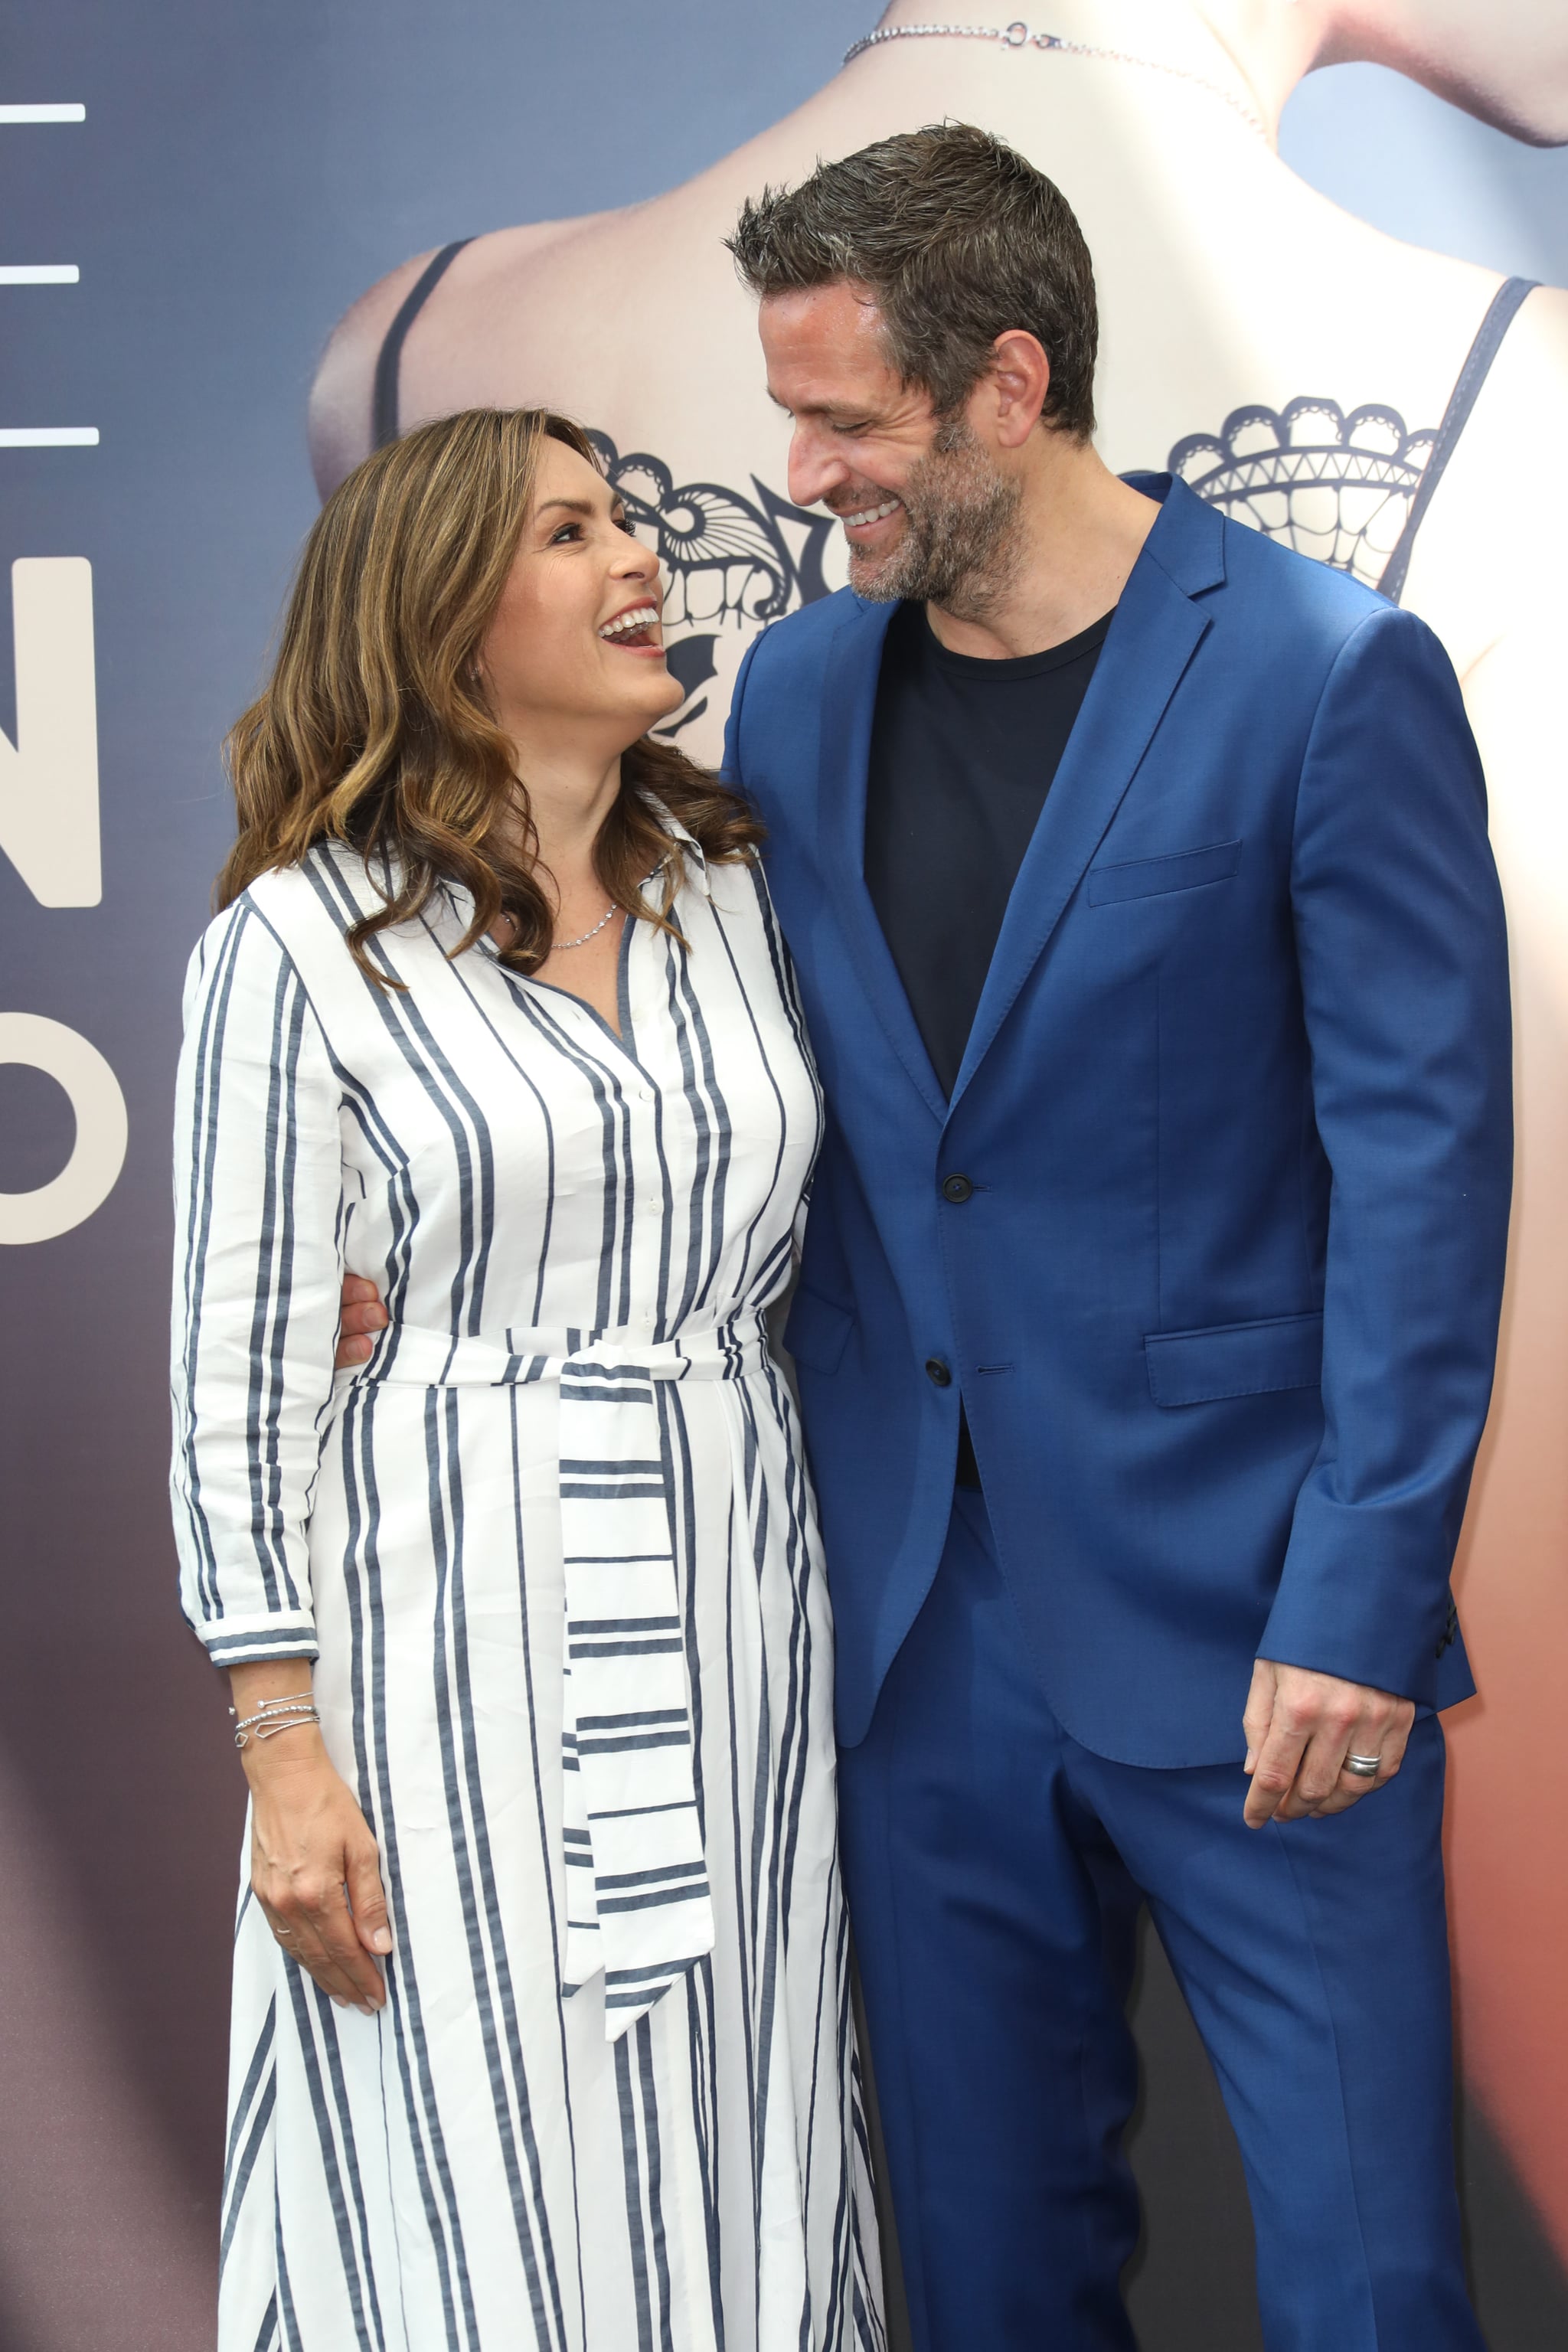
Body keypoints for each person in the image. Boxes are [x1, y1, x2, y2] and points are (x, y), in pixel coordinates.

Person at [309, 38, 1568, 2243]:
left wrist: (1362, 1606)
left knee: (1369, 2268)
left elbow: (1425, 1178)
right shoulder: (795, 690)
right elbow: (760, 1103)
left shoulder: (1326, 675)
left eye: (847, 424)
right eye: (788, 414)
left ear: (1011, 383)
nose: (797, 474)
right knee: (985, 2275)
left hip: (1261, 1625)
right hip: (911, 1643)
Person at [169, 407, 884, 2352]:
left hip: (740, 1589)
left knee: (741, 2118)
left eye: (629, 516)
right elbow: (236, 1371)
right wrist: (278, 1743)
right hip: (445, 1627)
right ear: (444, 619)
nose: (642, 557)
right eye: (573, 531)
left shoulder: (739, 894)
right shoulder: (300, 947)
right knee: (468, 2139)